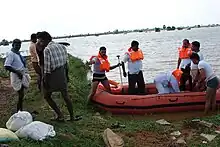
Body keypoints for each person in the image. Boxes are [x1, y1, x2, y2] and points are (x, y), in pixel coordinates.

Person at [37, 31, 77, 121]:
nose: (39, 43)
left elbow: (47, 69)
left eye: (40, 41)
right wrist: (66, 76)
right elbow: (66, 64)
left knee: (46, 96)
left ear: (46, 40)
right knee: (66, 96)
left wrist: (45, 81)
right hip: (62, 74)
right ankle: (72, 117)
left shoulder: (47, 50)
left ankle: (60, 115)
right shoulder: (62, 47)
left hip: (52, 76)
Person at [4, 39, 30, 111]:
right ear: (12, 45)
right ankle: (19, 111)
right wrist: (17, 72)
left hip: (21, 74)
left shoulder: (17, 53)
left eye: (19, 45)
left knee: (21, 94)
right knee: (20, 94)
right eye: (16, 45)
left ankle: (20, 110)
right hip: (16, 75)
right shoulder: (11, 54)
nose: (18, 46)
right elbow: (6, 66)